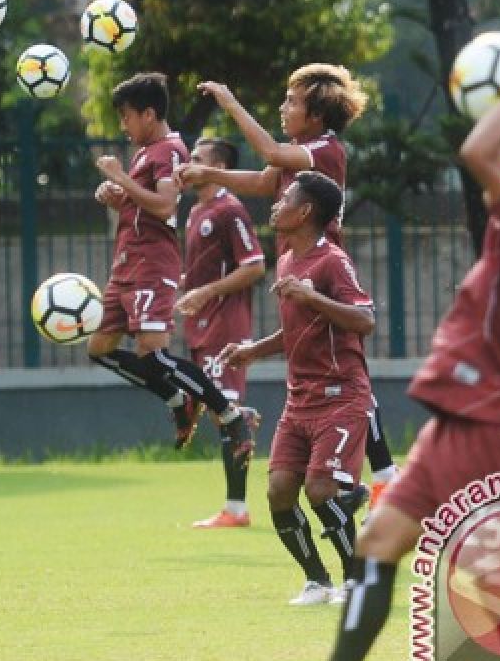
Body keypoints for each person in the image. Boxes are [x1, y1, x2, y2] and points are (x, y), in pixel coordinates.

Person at [253, 44, 500, 661]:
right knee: (379, 543)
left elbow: (479, 151)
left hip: (497, 422)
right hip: (461, 419)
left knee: (494, 583)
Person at [175, 65, 398, 507]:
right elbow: (263, 181)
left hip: (325, 272)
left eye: (292, 102)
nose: (283, 107)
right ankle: (381, 480)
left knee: (348, 379)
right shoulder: (299, 150)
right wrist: (210, 176)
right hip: (298, 268)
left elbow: (270, 155)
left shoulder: (324, 149)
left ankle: (387, 479)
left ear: (315, 115)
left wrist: (229, 101)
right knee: (335, 373)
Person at [88, 72, 258, 464]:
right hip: (126, 263)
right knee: (99, 349)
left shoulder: (170, 150)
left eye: (127, 116)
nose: (124, 125)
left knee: (153, 354)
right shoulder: (144, 152)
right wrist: (117, 195)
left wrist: (118, 178)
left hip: (151, 264)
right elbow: (146, 207)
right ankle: (178, 400)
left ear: (149, 114)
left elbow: (165, 206)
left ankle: (230, 416)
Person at [222, 171, 374, 605]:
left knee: (320, 491)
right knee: (278, 491)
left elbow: (364, 320)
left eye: (285, 197)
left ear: (305, 211)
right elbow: (298, 330)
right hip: (299, 399)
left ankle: (356, 579)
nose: (275, 204)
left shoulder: (333, 261)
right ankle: (317, 581)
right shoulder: (288, 259)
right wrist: (253, 350)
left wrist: (313, 298)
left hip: (340, 396)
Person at [175, 138, 266, 528]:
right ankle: (244, 418)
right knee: (223, 411)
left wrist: (207, 292)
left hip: (225, 325)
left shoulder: (230, 210)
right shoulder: (196, 211)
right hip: (199, 325)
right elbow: (199, 273)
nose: (187, 164)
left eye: (195, 159)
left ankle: (237, 509)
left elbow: (255, 266)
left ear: (218, 165)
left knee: (225, 412)